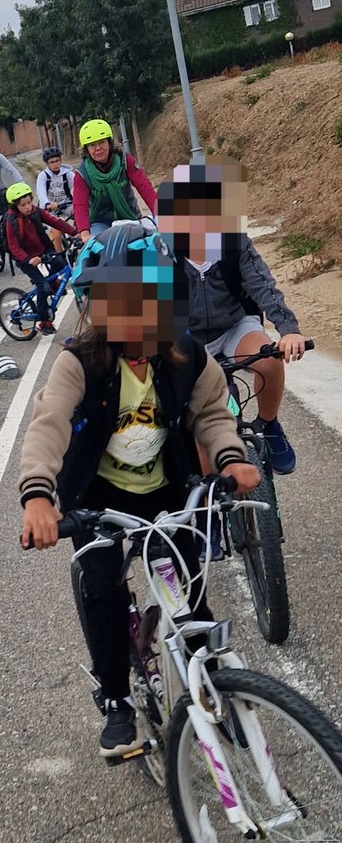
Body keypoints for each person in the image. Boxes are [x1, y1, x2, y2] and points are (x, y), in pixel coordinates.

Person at [18, 222, 258, 755]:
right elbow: (48, 423)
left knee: (186, 587)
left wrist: (231, 456)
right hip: (98, 497)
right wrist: (38, 495)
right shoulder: (78, 362)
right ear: (98, 306)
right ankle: (115, 699)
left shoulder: (186, 356)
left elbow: (213, 412)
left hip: (162, 485)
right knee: (102, 586)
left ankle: (212, 685)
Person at [157, 161, 308, 474]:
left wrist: (289, 329)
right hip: (187, 339)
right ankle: (209, 508)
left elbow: (263, 285)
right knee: (199, 429)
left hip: (234, 327)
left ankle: (270, 426)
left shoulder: (234, 242)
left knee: (269, 360)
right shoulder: (162, 251)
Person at [3, 182, 77, 334]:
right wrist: (28, 260)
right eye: (23, 205)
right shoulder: (11, 221)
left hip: (42, 250)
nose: (28, 207)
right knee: (43, 286)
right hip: (25, 257)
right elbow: (14, 247)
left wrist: (75, 232)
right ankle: (44, 322)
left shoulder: (35, 211)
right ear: (14, 206)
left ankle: (54, 283)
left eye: (29, 202)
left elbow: (54, 221)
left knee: (60, 262)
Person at [73, 119, 157, 245]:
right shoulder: (82, 173)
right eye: (92, 145)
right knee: (99, 253)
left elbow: (144, 186)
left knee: (148, 249)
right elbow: (80, 205)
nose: (98, 148)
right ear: (86, 149)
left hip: (130, 217)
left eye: (102, 142)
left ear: (110, 143)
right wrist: (84, 233)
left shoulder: (125, 160)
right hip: (100, 222)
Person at [36, 146, 75, 220]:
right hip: (50, 207)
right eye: (52, 162)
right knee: (57, 229)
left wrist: (75, 193)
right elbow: (41, 193)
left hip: (66, 204)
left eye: (57, 160)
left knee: (78, 213)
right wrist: (47, 204)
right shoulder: (43, 176)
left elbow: (76, 186)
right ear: (47, 164)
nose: (55, 164)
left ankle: (78, 231)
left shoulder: (68, 173)